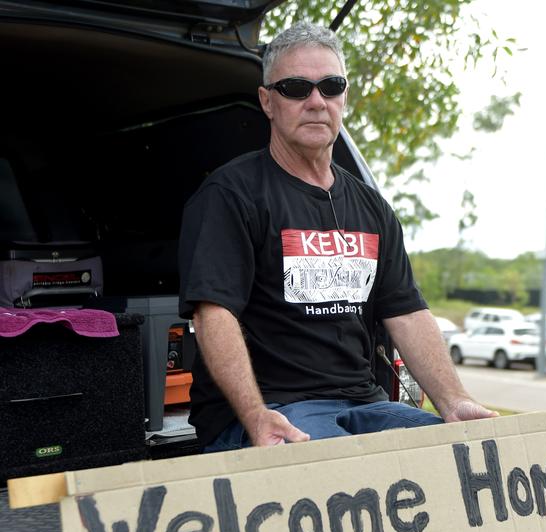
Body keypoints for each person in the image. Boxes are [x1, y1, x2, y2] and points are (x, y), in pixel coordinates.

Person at [178, 21, 496, 452]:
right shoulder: (230, 194)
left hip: (364, 404)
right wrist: (255, 416)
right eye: (296, 88)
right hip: (272, 411)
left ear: (344, 97)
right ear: (267, 101)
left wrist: (454, 401)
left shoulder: (372, 207)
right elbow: (213, 315)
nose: (316, 101)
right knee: (353, 469)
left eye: (330, 86)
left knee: (453, 453)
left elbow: (406, 313)